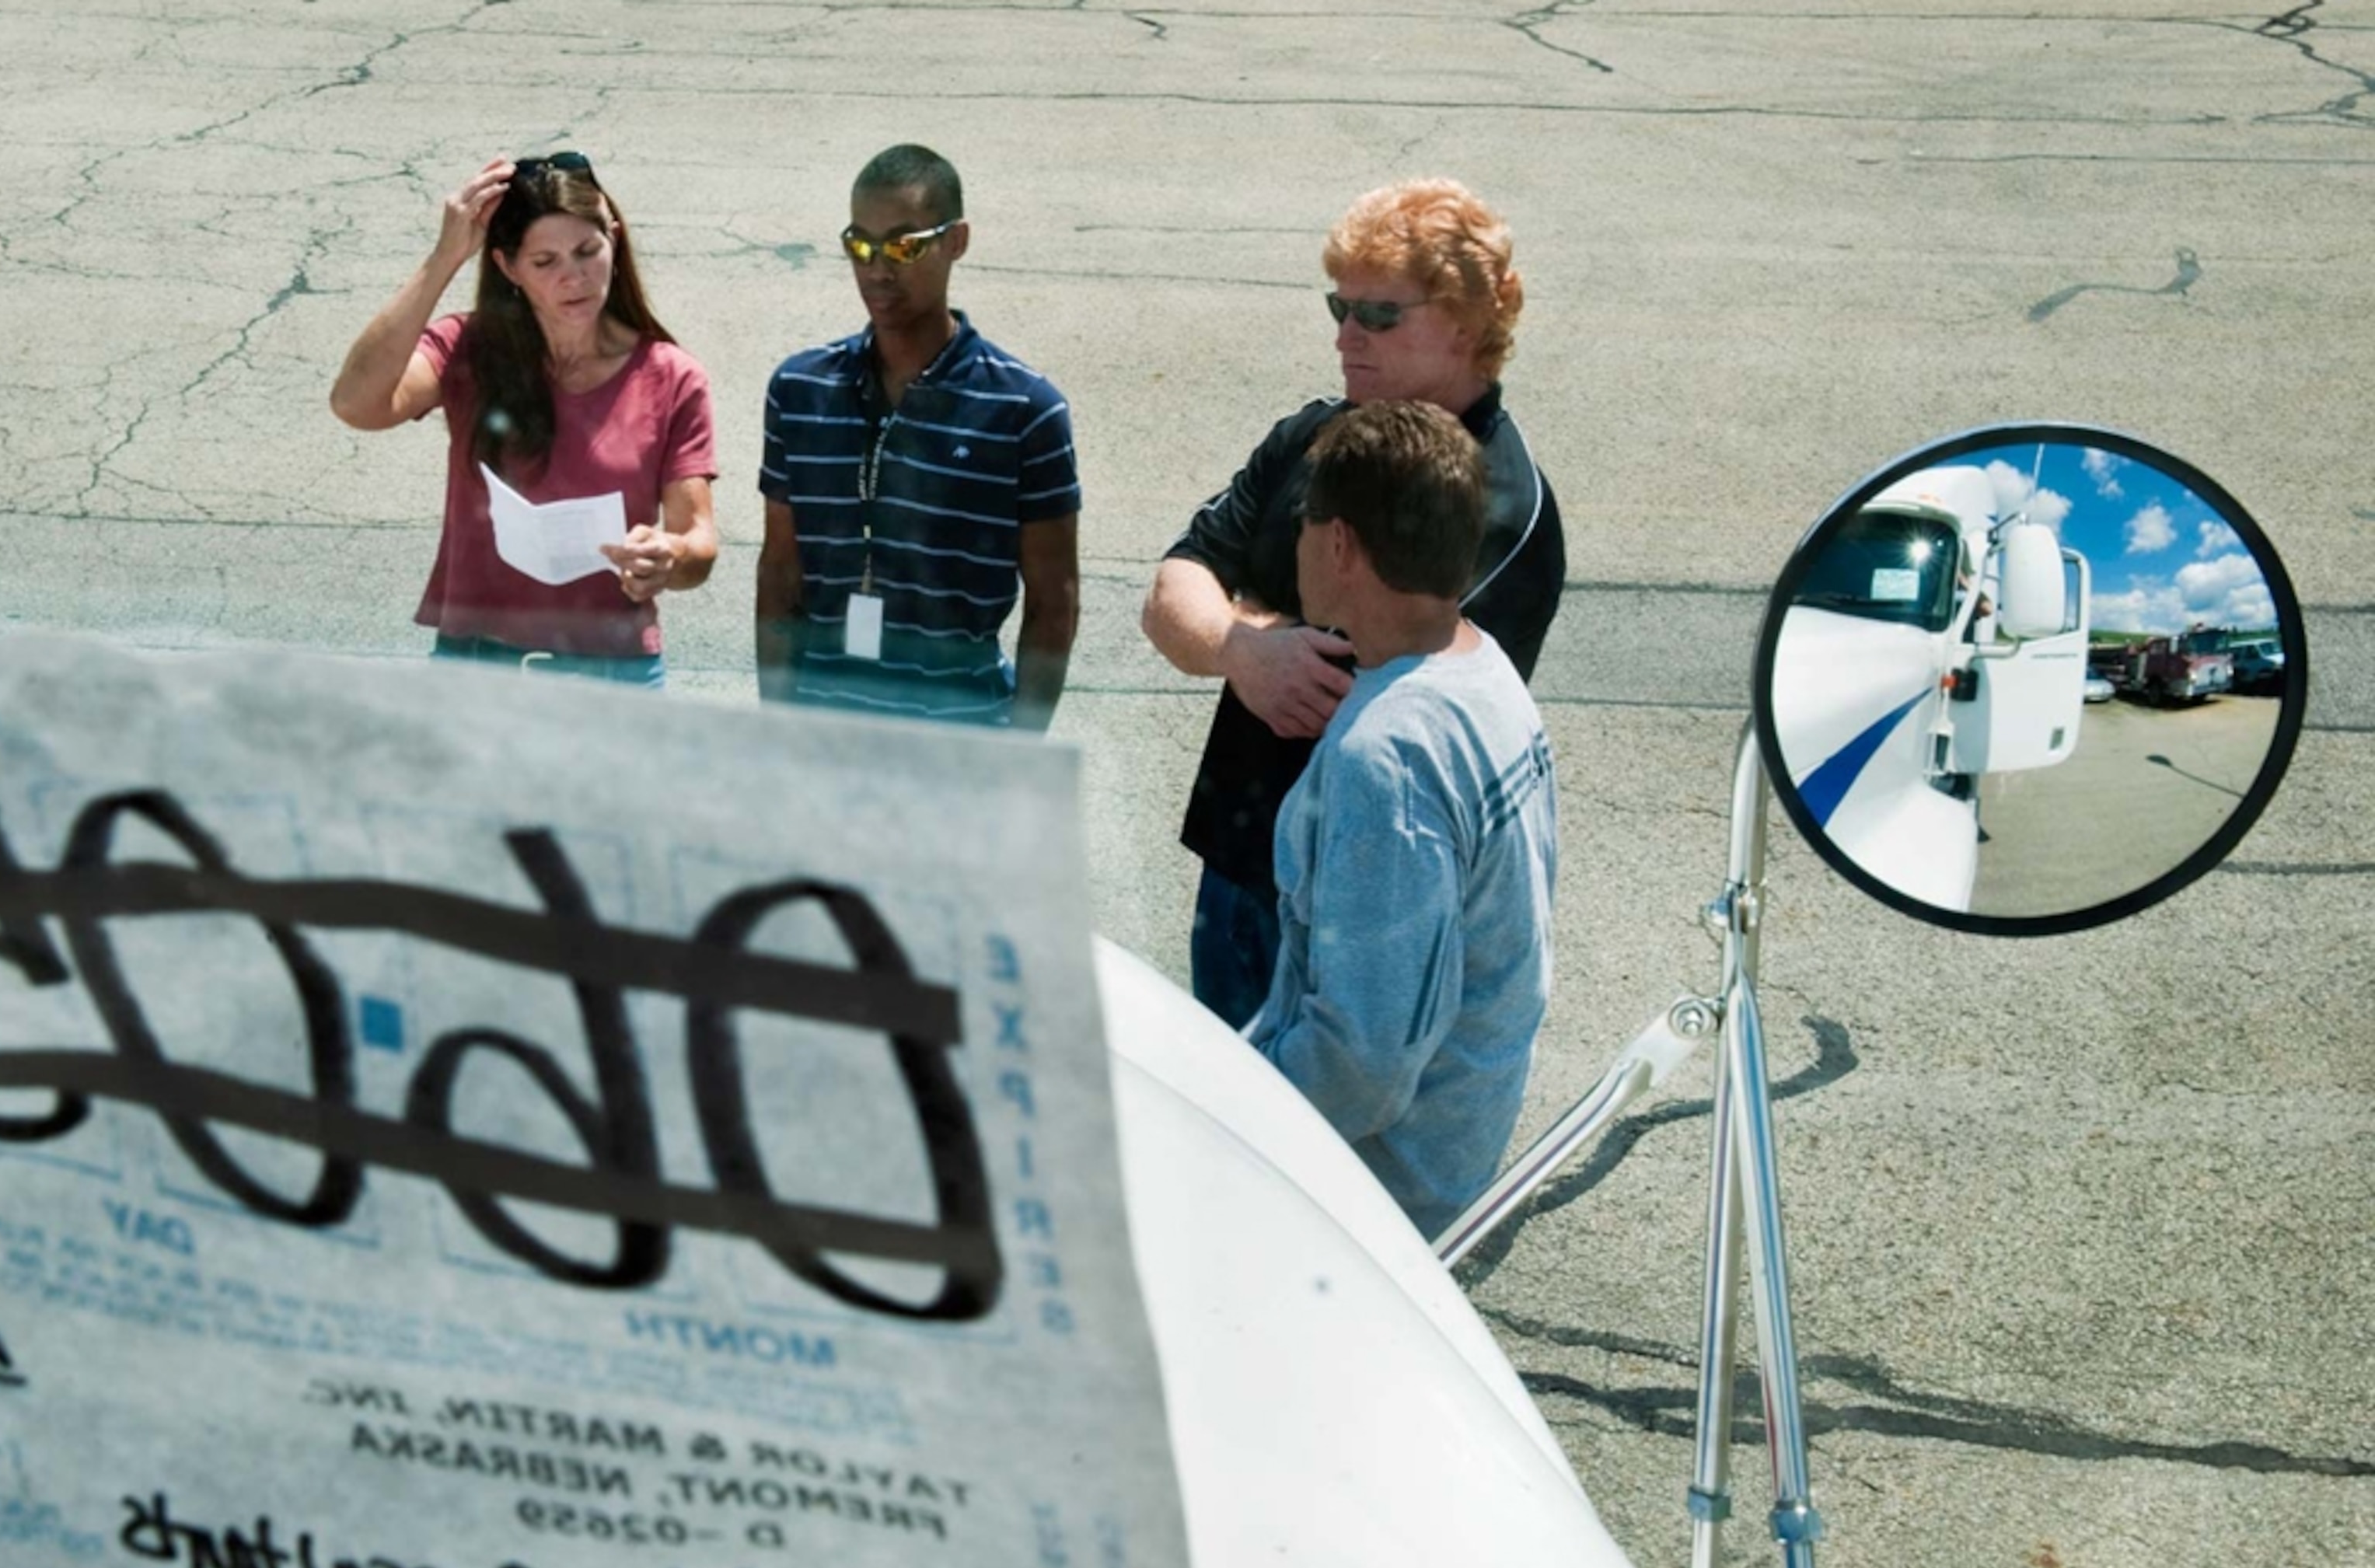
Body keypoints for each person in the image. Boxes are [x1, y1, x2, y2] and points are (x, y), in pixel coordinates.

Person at [1141, 177, 1564, 1028]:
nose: (1345, 337)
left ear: (1469, 321)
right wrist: (1242, 647)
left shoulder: (1498, 505)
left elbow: (1352, 680)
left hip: (1361, 902)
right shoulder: (1315, 438)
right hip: (1238, 864)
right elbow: (1169, 590)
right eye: (1339, 306)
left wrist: (1237, 624)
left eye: (1378, 315)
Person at [1245, 401, 1558, 1241]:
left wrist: (1230, 1114)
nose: (1295, 544)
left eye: (1305, 523)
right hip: (1453, 1146)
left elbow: (1365, 1062)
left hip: (1367, 1204)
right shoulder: (1482, 669)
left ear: (1340, 544)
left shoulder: (1385, 755)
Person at [330, 152, 718, 686]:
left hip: (613, 674)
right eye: (545, 262)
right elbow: (356, 404)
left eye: (588, 251)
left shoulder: (670, 375)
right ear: (509, 267)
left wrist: (666, 556)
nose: (573, 277)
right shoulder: (467, 349)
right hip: (475, 669)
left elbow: (698, 540)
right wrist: (444, 258)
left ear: (616, 241)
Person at [756, 145, 1081, 728]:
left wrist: (1020, 755)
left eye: (905, 246)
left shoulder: (1024, 410)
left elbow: (1054, 603)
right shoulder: (800, 391)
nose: (879, 268)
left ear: (956, 241)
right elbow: (781, 574)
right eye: (861, 244)